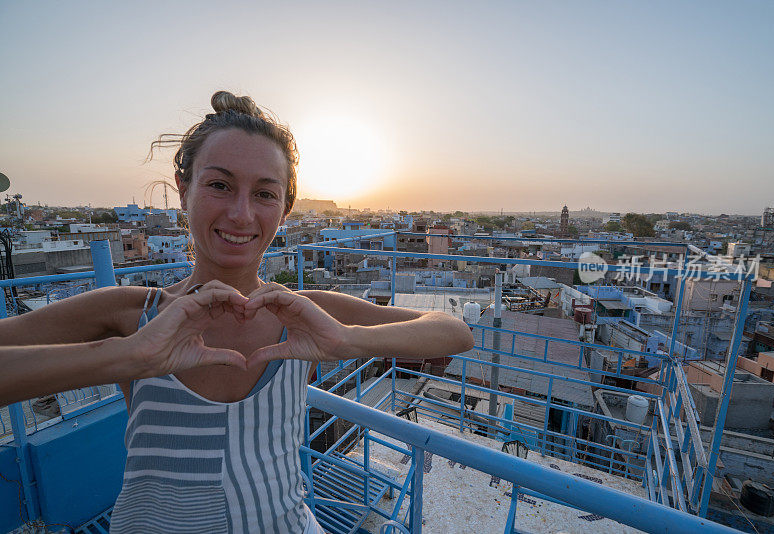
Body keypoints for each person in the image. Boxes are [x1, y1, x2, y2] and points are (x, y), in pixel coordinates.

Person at [0, 91, 475, 534]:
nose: (242, 214)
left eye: (265, 194)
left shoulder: (307, 314)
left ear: (285, 209)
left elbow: (453, 332)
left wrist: (350, 340)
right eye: (220, 185)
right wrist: (125, 356)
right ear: (183, 190)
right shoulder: (132, 312)